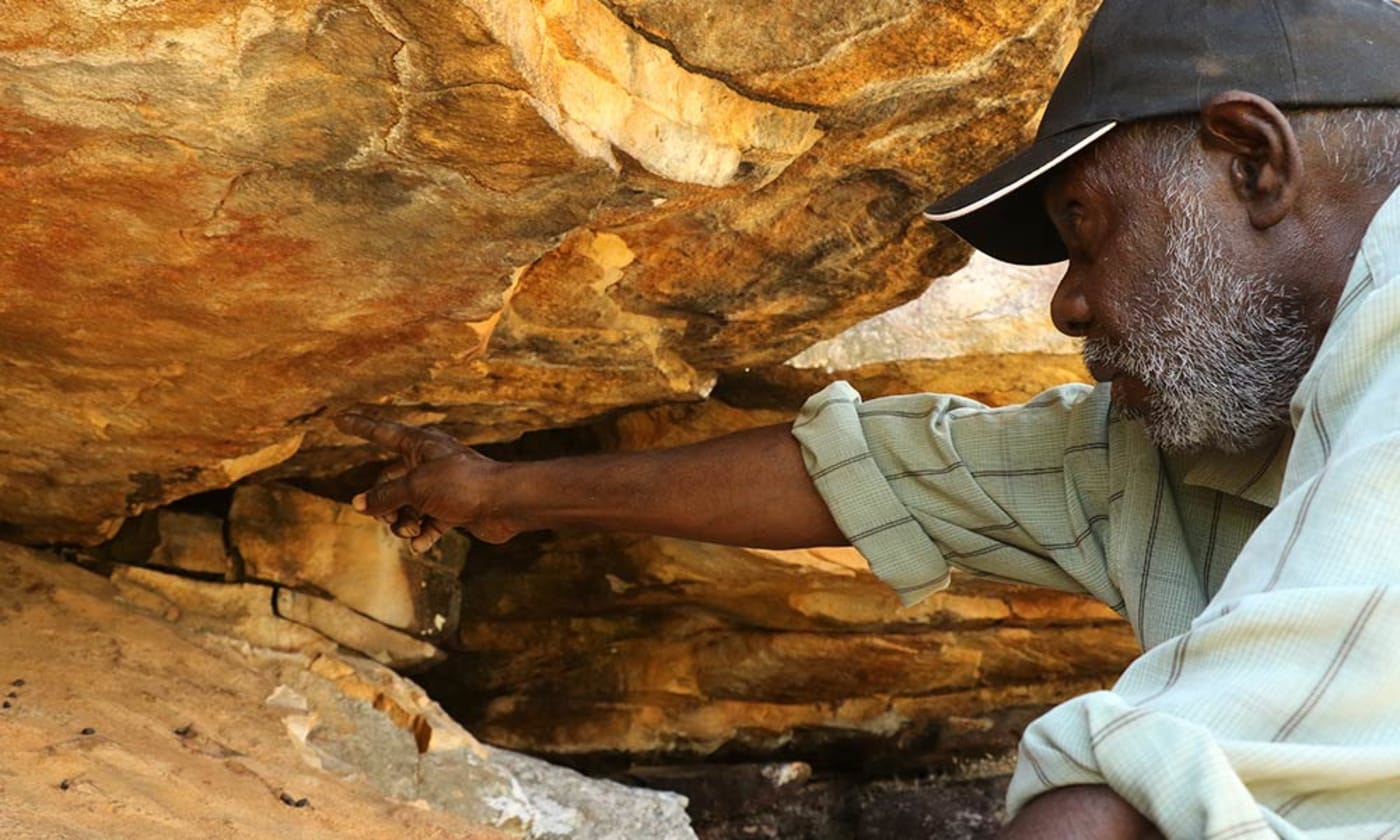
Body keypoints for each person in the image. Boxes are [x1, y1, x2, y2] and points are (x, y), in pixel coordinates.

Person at [337, 0, 1400, 836]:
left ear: (1250, 160)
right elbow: (874, 473)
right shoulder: (1210, 439)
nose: (1067, 302)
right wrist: (496, 491)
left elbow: (1161, 776)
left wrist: (1095, 798)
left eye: (1084, 226)